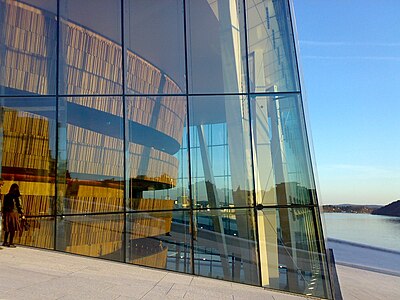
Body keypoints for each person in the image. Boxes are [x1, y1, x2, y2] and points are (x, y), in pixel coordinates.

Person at [2, 183, 25, 247]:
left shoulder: (7, 196)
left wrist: (4, 214)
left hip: (7, 213)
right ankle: (10, 242)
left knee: (8, 228)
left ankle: (5, 242)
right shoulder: (17, 196)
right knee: (13, 228)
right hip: (14, 213)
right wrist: (22, 213)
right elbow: (19, 205)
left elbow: (4, 206)